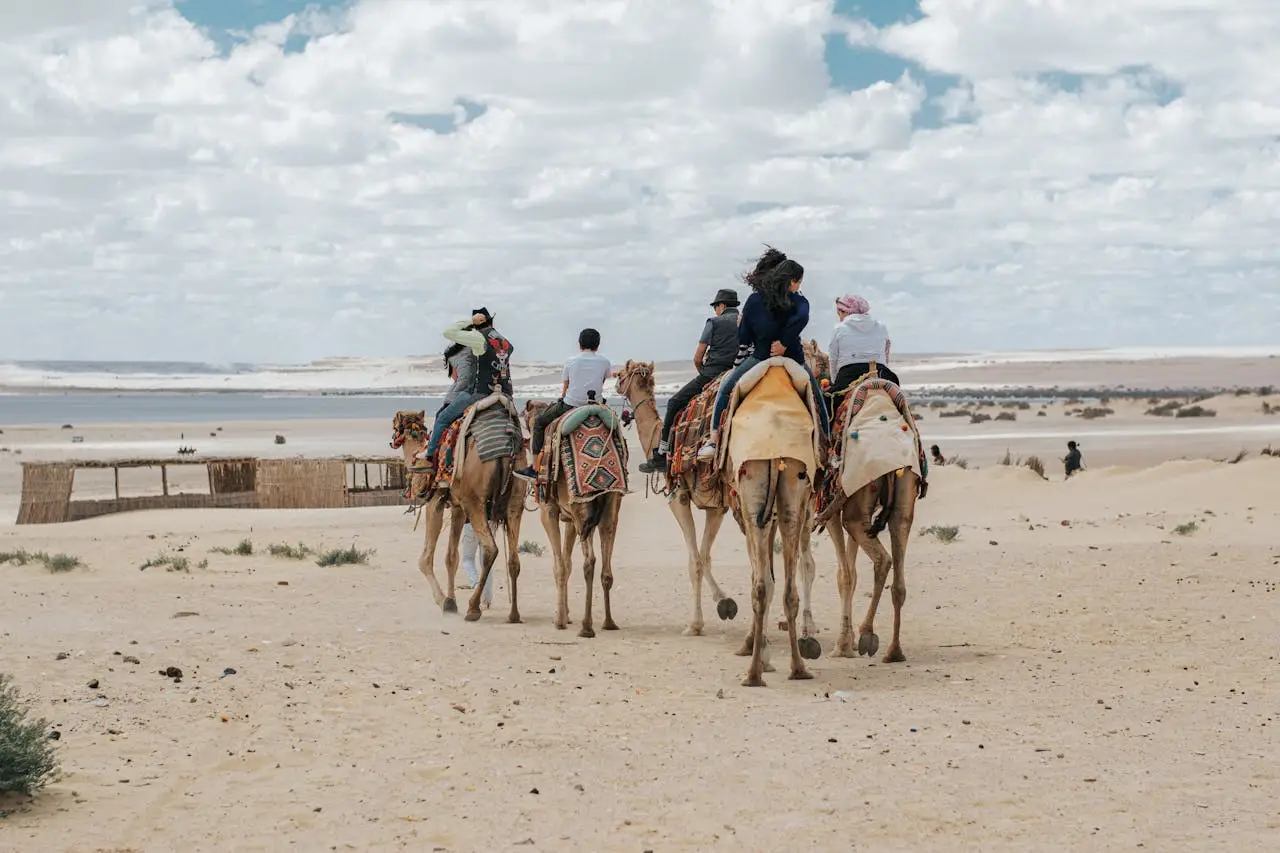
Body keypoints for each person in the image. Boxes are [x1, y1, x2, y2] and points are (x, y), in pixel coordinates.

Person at [697, 249, 830, 461]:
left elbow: (744, 336)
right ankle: (827, 444)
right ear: (792, 281)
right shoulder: (798, 301)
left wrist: (754, 335)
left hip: (759, 358)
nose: (799, 286)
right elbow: (802, 318)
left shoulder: (754, 300)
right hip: (793, 358)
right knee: (816, 396)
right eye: (798, 282)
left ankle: (713, 440)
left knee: (725, 388)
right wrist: (785, 342)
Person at [638, 288, 742, 473]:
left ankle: (662, 455)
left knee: (673, 402)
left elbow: (697, 357)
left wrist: (704, 373)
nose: (715, 311)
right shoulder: (745, 320)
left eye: (716, 307)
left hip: (713, 374)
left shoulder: (714, 322)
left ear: (722, 306)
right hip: (740, 373)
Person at [412, 307, 514, 476]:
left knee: (443, 418)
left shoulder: (477, 337)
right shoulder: (505, 341)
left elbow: (449, 332)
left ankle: (430, 457)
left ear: (479, 322)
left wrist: (470, 322)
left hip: (481, 393)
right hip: (506, 394)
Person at [514, 328, 612, 480]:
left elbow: (566, 387)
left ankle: (535, 468)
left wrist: (563, 398)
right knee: (615, 429)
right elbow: (601, 382)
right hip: (595, 406)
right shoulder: (605, 362)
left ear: (579, 344)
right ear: (597, 346)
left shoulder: (571, 361)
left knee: (539, 423)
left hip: (571, 405)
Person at [826, 294, 901, 414]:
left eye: (839, 313)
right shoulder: (881, 327)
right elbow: (885, 355)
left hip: (849, 375)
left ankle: (829, 432)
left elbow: (833, 360)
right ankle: (909, 427)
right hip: (880, 372)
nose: (839, 317)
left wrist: (835, 383)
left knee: (828, 404)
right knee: (899, 402)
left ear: (844, 311)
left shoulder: (839, 328)